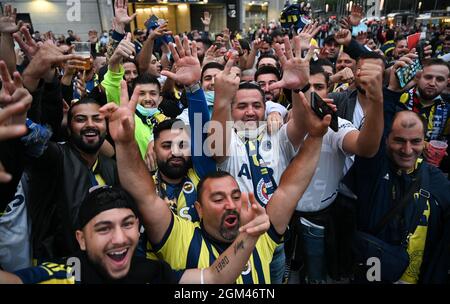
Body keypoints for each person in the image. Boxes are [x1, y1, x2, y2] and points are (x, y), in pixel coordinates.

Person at [98, 64, 331, 284]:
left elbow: (291, 188)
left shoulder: (259, 233)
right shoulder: (181, 238)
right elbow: (143, 194)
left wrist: (316, 137)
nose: (231, 204)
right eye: (218, 199)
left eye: (235, 196)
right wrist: (125, 142)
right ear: (198, 209)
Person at [0, 185, 271, 284]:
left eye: (127, 224)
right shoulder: (64, 276)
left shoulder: (150, 273)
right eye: (104, 228)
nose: (120, 238)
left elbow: (213, 277)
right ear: (81, 239)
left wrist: (248, 235)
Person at [343, 110, 450, 283]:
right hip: (375, 269)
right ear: (386, 139)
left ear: (425, 142)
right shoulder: (374, 172)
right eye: (399, 140)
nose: (407, 150)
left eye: (415, 141)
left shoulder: (435, 179)